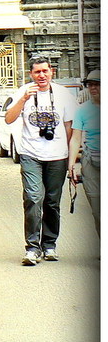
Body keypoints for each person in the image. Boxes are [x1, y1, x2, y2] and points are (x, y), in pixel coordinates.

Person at [4, 56, 78, 265]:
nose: (41, 76)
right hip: (31, 154)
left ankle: (49, 244)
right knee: (33, 198)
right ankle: (32, 247)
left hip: (57, 156)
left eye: (45, 71)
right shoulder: (24, 92)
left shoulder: (62, 95)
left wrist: (71, 159)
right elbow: (9, 119)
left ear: (51, 71)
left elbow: (69, 128)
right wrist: (23, 100)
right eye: (37, 72)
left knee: (52, 202)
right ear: (31, 74)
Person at [68, 70, 100, 237]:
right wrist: (71, 166)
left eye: (97, 84)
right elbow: (75, 139)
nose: (93, 88)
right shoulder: (82, 110)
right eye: (90, 84)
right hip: (91, 161)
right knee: (97, 209)